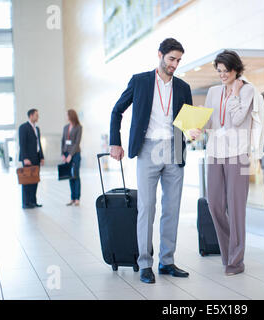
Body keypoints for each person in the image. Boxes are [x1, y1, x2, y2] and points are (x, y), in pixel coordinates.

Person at [109, 38, 192, 284]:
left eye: (178, 60)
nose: (175, 64)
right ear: (160, 55)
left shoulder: (184, 87)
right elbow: (117, 111)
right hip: (147, 149)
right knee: (147, 207)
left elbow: (187, 122)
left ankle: (167, 261)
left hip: (174, 150)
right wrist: (116, 142)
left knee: (172, 208)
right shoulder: (140, 81)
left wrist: (194, 130)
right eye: (171, 59)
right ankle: (144, 263)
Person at [190, 50, 264, 276]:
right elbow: (212, 119)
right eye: (219, 71)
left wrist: (235, 93)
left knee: (236, 207)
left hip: (238, 154)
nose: (222, 75)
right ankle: (228, 252)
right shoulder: (213, 91)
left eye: (226, 71)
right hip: (214, 152)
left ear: (236, 70)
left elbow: (240, 117)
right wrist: (196, 128)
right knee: (214, 203)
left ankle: (236, 261)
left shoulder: (248, 90)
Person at [18, 109, 44, 209]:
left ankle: (33, 201)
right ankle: (26, 203)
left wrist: (41, 157)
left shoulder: (37, 128)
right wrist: (25, 158)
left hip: (36, 157)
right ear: (31, 115)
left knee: (35, 180)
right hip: (28, 159)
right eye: (36, 115)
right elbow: (22, 144)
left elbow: (39, 144)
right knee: (27, 181)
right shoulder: (23, 127)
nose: (38, 117)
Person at [61, 109, 83, 206]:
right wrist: (63, 153)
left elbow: (77, 142)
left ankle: (77, 198)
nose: (66, 117)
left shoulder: (79, 127)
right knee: (70, 176)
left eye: (67, 115)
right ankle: (72, 198)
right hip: (66, 154)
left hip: (75, 154)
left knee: (76, 176)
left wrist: (70, 155)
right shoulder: (65, 127)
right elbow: (63, 140)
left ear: (71, 116)